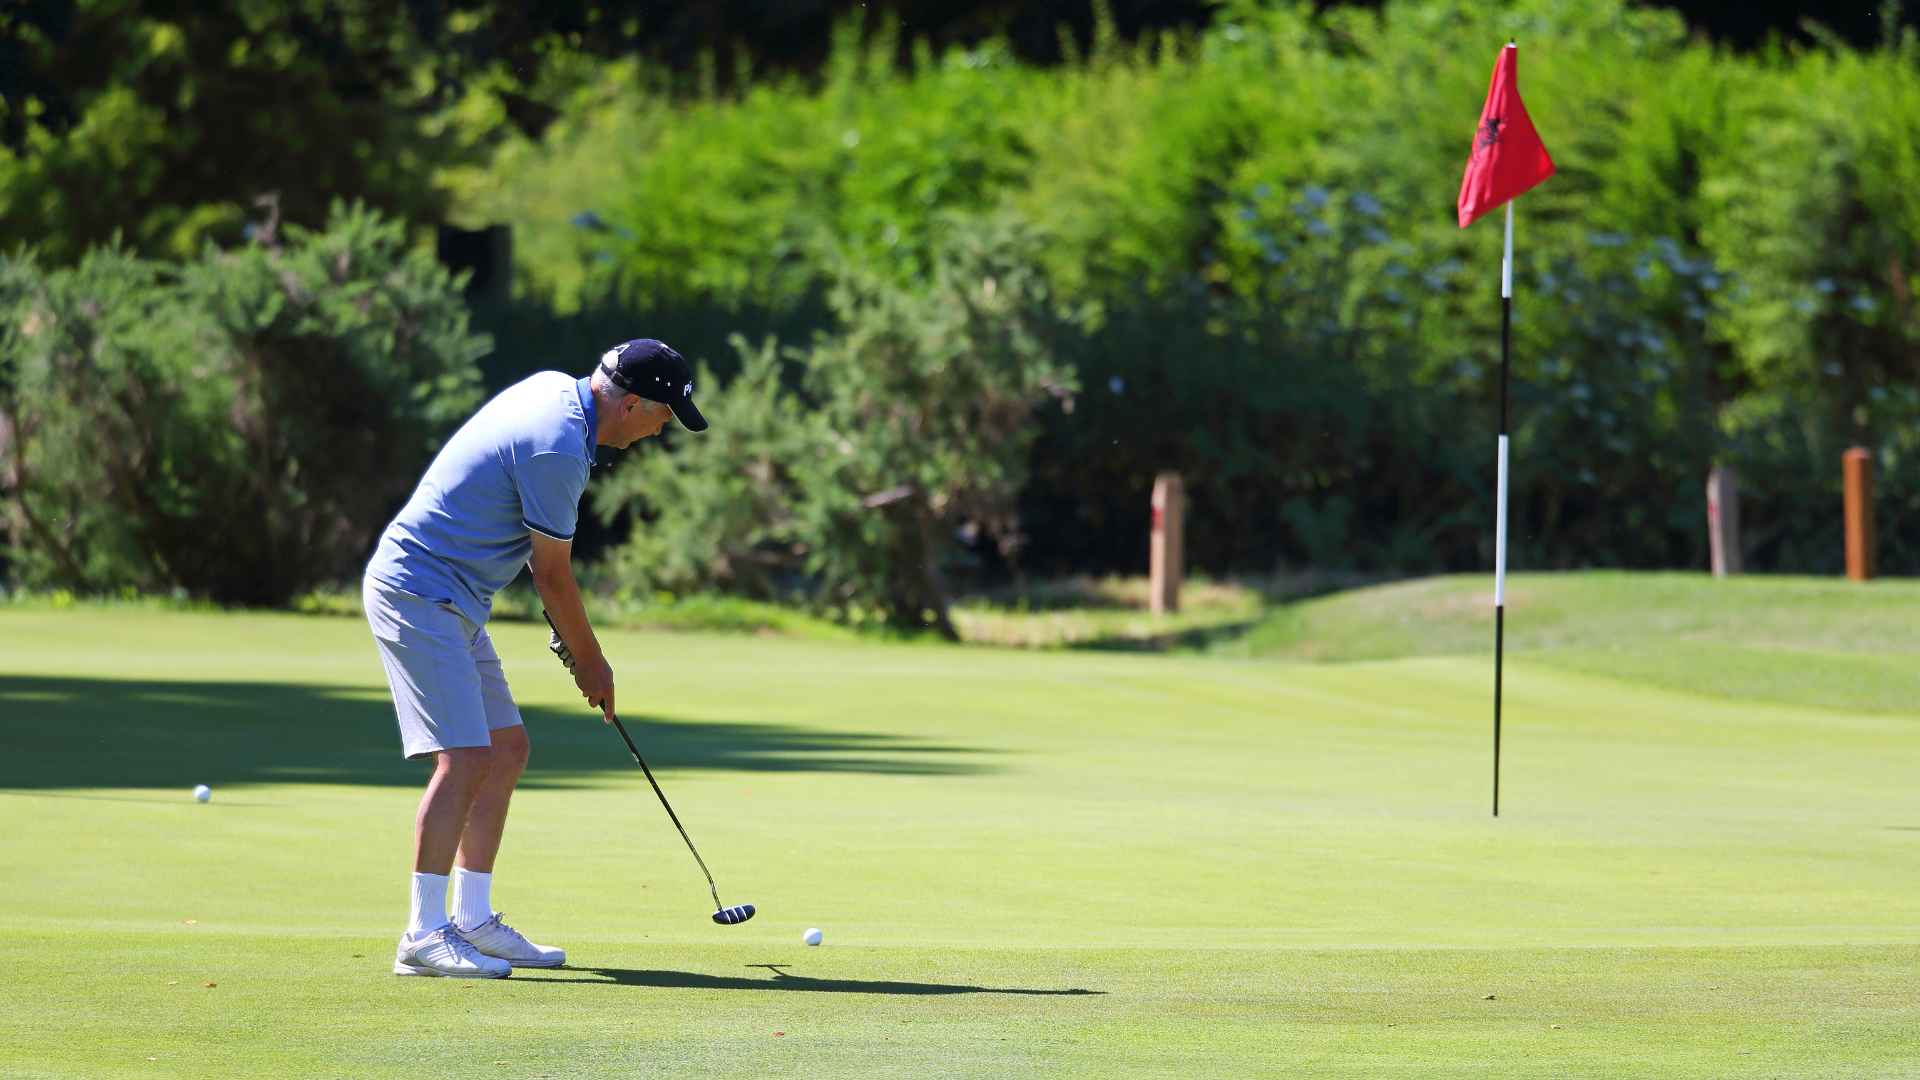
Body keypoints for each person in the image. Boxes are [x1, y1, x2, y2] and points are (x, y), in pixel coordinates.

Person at [362, 339, 708, 978]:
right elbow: (552, 576)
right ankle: (422, 934)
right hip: (418, 591)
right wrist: (593, 663)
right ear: (632, 403)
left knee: (506, 748)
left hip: (454, 595)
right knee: (465, 756)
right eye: (662, 416)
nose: (661, 430)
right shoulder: (560, 447)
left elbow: (529, 552)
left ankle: (472, 919)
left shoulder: (558, 394)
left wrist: (572, 645)